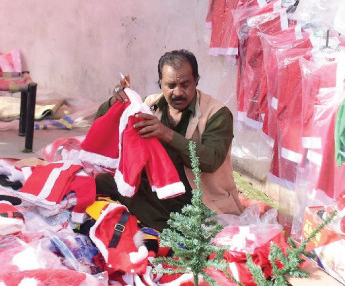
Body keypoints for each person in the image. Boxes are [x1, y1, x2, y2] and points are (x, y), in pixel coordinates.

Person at [95, 49, 244, 231]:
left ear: (196, 80)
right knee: (101, 182)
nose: (178, 92)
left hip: (198, 199)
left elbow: (210, 161)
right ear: (160, 84)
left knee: (182, 227)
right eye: (171, 85)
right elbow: (105, 124)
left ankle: (165, 228)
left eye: (185, 84)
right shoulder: (150, 104)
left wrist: (166, 134)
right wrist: (115, 102)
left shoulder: (217, 114)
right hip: (159, 189)